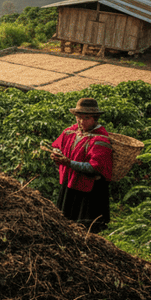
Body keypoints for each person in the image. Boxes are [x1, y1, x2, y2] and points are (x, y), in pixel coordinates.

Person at [49, 97, 113, 233]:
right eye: (78, 117)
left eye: (86, 118)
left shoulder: (100, 139)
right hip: (71, 184)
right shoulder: (71, 131)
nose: (81, 121)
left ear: (95, 119)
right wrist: (56, 153)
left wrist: (68, 162)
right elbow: (58, 145)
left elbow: (94, 168)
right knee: (66, 224)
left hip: (89, 191)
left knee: (85, 229)